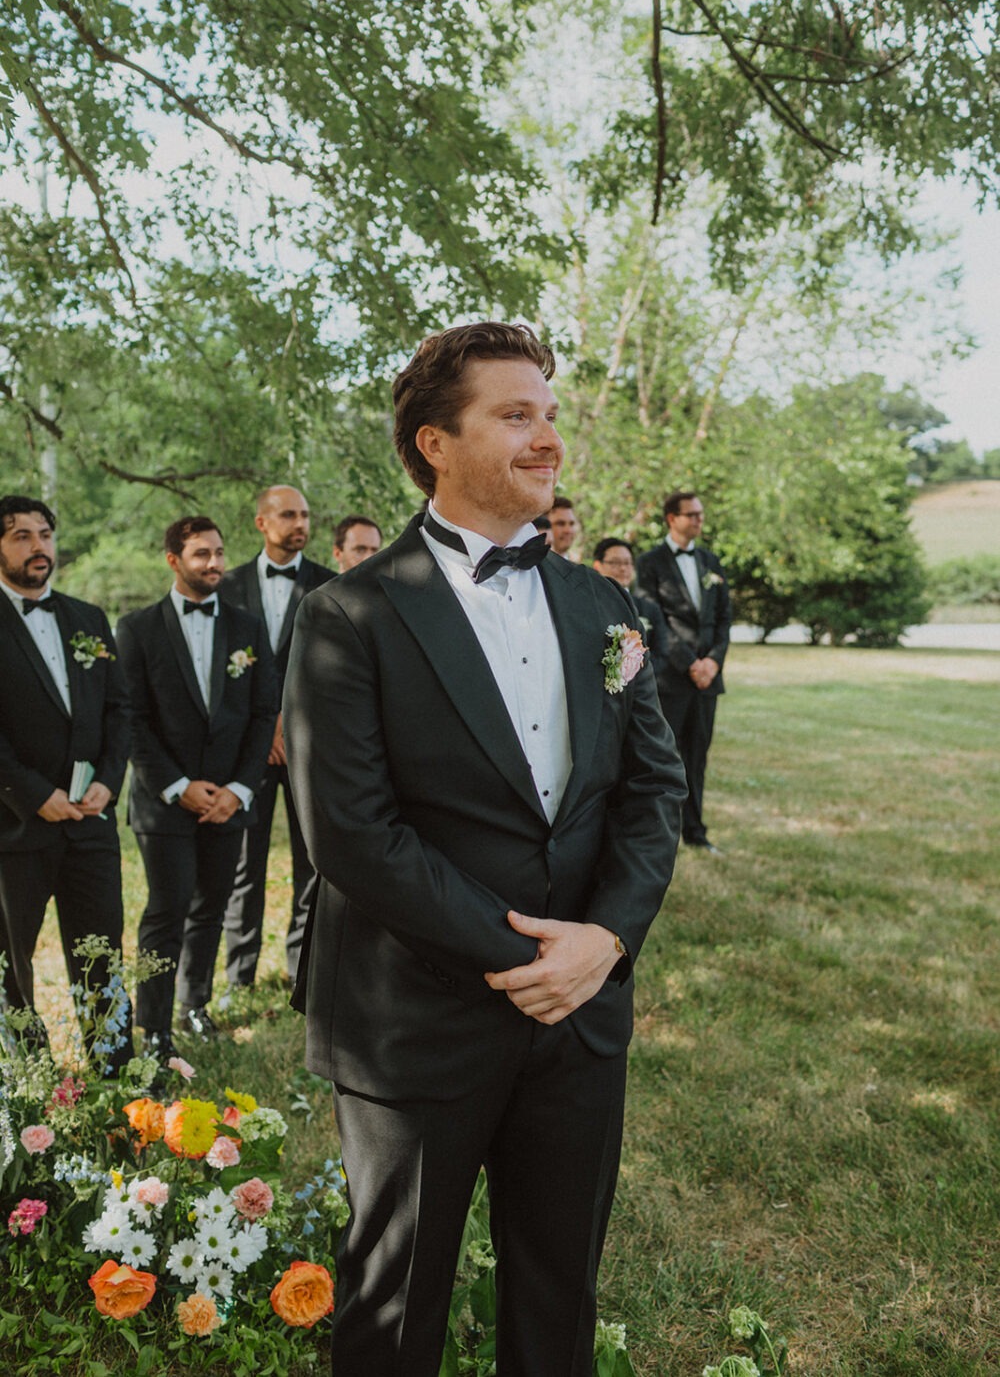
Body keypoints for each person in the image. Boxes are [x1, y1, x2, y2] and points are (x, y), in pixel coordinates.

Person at [284, 321, 686, 1377]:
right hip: (412, 1020)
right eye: (516, 415)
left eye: (548, 414)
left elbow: (652, 792)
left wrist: (602, 941)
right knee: (391, 1312)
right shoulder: (349, 616)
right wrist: (529, 959)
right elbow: (352, 836)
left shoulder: (604, 605)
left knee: (558, 1302)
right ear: (434, 443)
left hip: (580, 1023)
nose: (547, 436)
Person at [117, 515, 277, 1058]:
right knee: (167, 909)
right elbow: (131, 720)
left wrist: (239, 788)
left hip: (229, 800)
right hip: (165, 802)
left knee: (211, 907)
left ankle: (195, 1006)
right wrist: (178, 785)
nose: (214, 563)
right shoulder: (136, 629)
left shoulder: (248, 628)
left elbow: (263, 714)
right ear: (173, 560)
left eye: (218, 552)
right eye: (201, 554)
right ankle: (155, 1028)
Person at [0, 494, 132, 1071]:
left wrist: (107, 782)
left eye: (45, 534)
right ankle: (31, 1084)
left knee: (102, 954)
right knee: (11, 963)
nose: (38, 547)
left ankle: (116, 1079)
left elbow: (120, 711)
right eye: (22, 536)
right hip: (15, 825)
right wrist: (36, 795)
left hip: (91, 824)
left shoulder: (88, 618)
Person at [218, 486, 334, 989]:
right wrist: (262, 726)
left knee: (313, 860)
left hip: (309, 746)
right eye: (288, 515)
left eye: (305, 515)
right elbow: (216, 676)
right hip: (246, 747)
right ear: (262, 523)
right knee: (245, 863)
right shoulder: (225, 585)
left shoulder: (331, 586)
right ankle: (239, 973)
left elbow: (335, 672)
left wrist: (292, 720)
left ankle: (301, 968)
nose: (299, 523)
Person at [637, 490, 731, 853]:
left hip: (707, 680)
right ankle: (661, 835)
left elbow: (724, 618)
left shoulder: (711, 562)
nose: (698, 520)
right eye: (691, 514)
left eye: (700, 514)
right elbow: (654, 619)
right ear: (671, 519)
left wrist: (713, 662)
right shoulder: (650, 562)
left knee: (698, 756)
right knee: (665, 760)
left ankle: (696, 832)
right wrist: (690, 663)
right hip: (672, 678)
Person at [592, 536, 670, 679]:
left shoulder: (650, 609)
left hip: (642, 687)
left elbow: (661, 654)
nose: (623, 568)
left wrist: (633, 674)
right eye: (615, 563)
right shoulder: (589, 606)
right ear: (597, 566)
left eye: (627, 563)